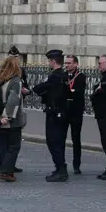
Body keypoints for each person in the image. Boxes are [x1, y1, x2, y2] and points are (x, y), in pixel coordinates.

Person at [0, 56, 26, 182]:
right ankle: (6, 172)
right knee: (13, 146)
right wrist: (7, 117)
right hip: (10, 121)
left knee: (3, 145)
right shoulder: (16, 81)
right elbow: (13, 100)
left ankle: (1, 166)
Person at [39, 49, 70, 182]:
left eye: (49, 61)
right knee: (59, 142)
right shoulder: (63, 74)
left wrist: (34, 89)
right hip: (61, 113)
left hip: (55, 113)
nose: (49, 63)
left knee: (54, 142)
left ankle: (61, 170)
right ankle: (60, 167)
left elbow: (45, 89)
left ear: (53, 61)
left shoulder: (55, 76)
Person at [61, 56, 87, 174]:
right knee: (61, 138)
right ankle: (61, 164)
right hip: (65, 110)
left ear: (76, 64)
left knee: (76, 139)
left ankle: (77, 165)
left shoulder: (81, 76)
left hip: (76, 111)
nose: (66, 65)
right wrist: (70, 90)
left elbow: (79, 91)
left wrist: (69, 90)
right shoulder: (62, 75)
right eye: (65, 63)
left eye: (69, 63)